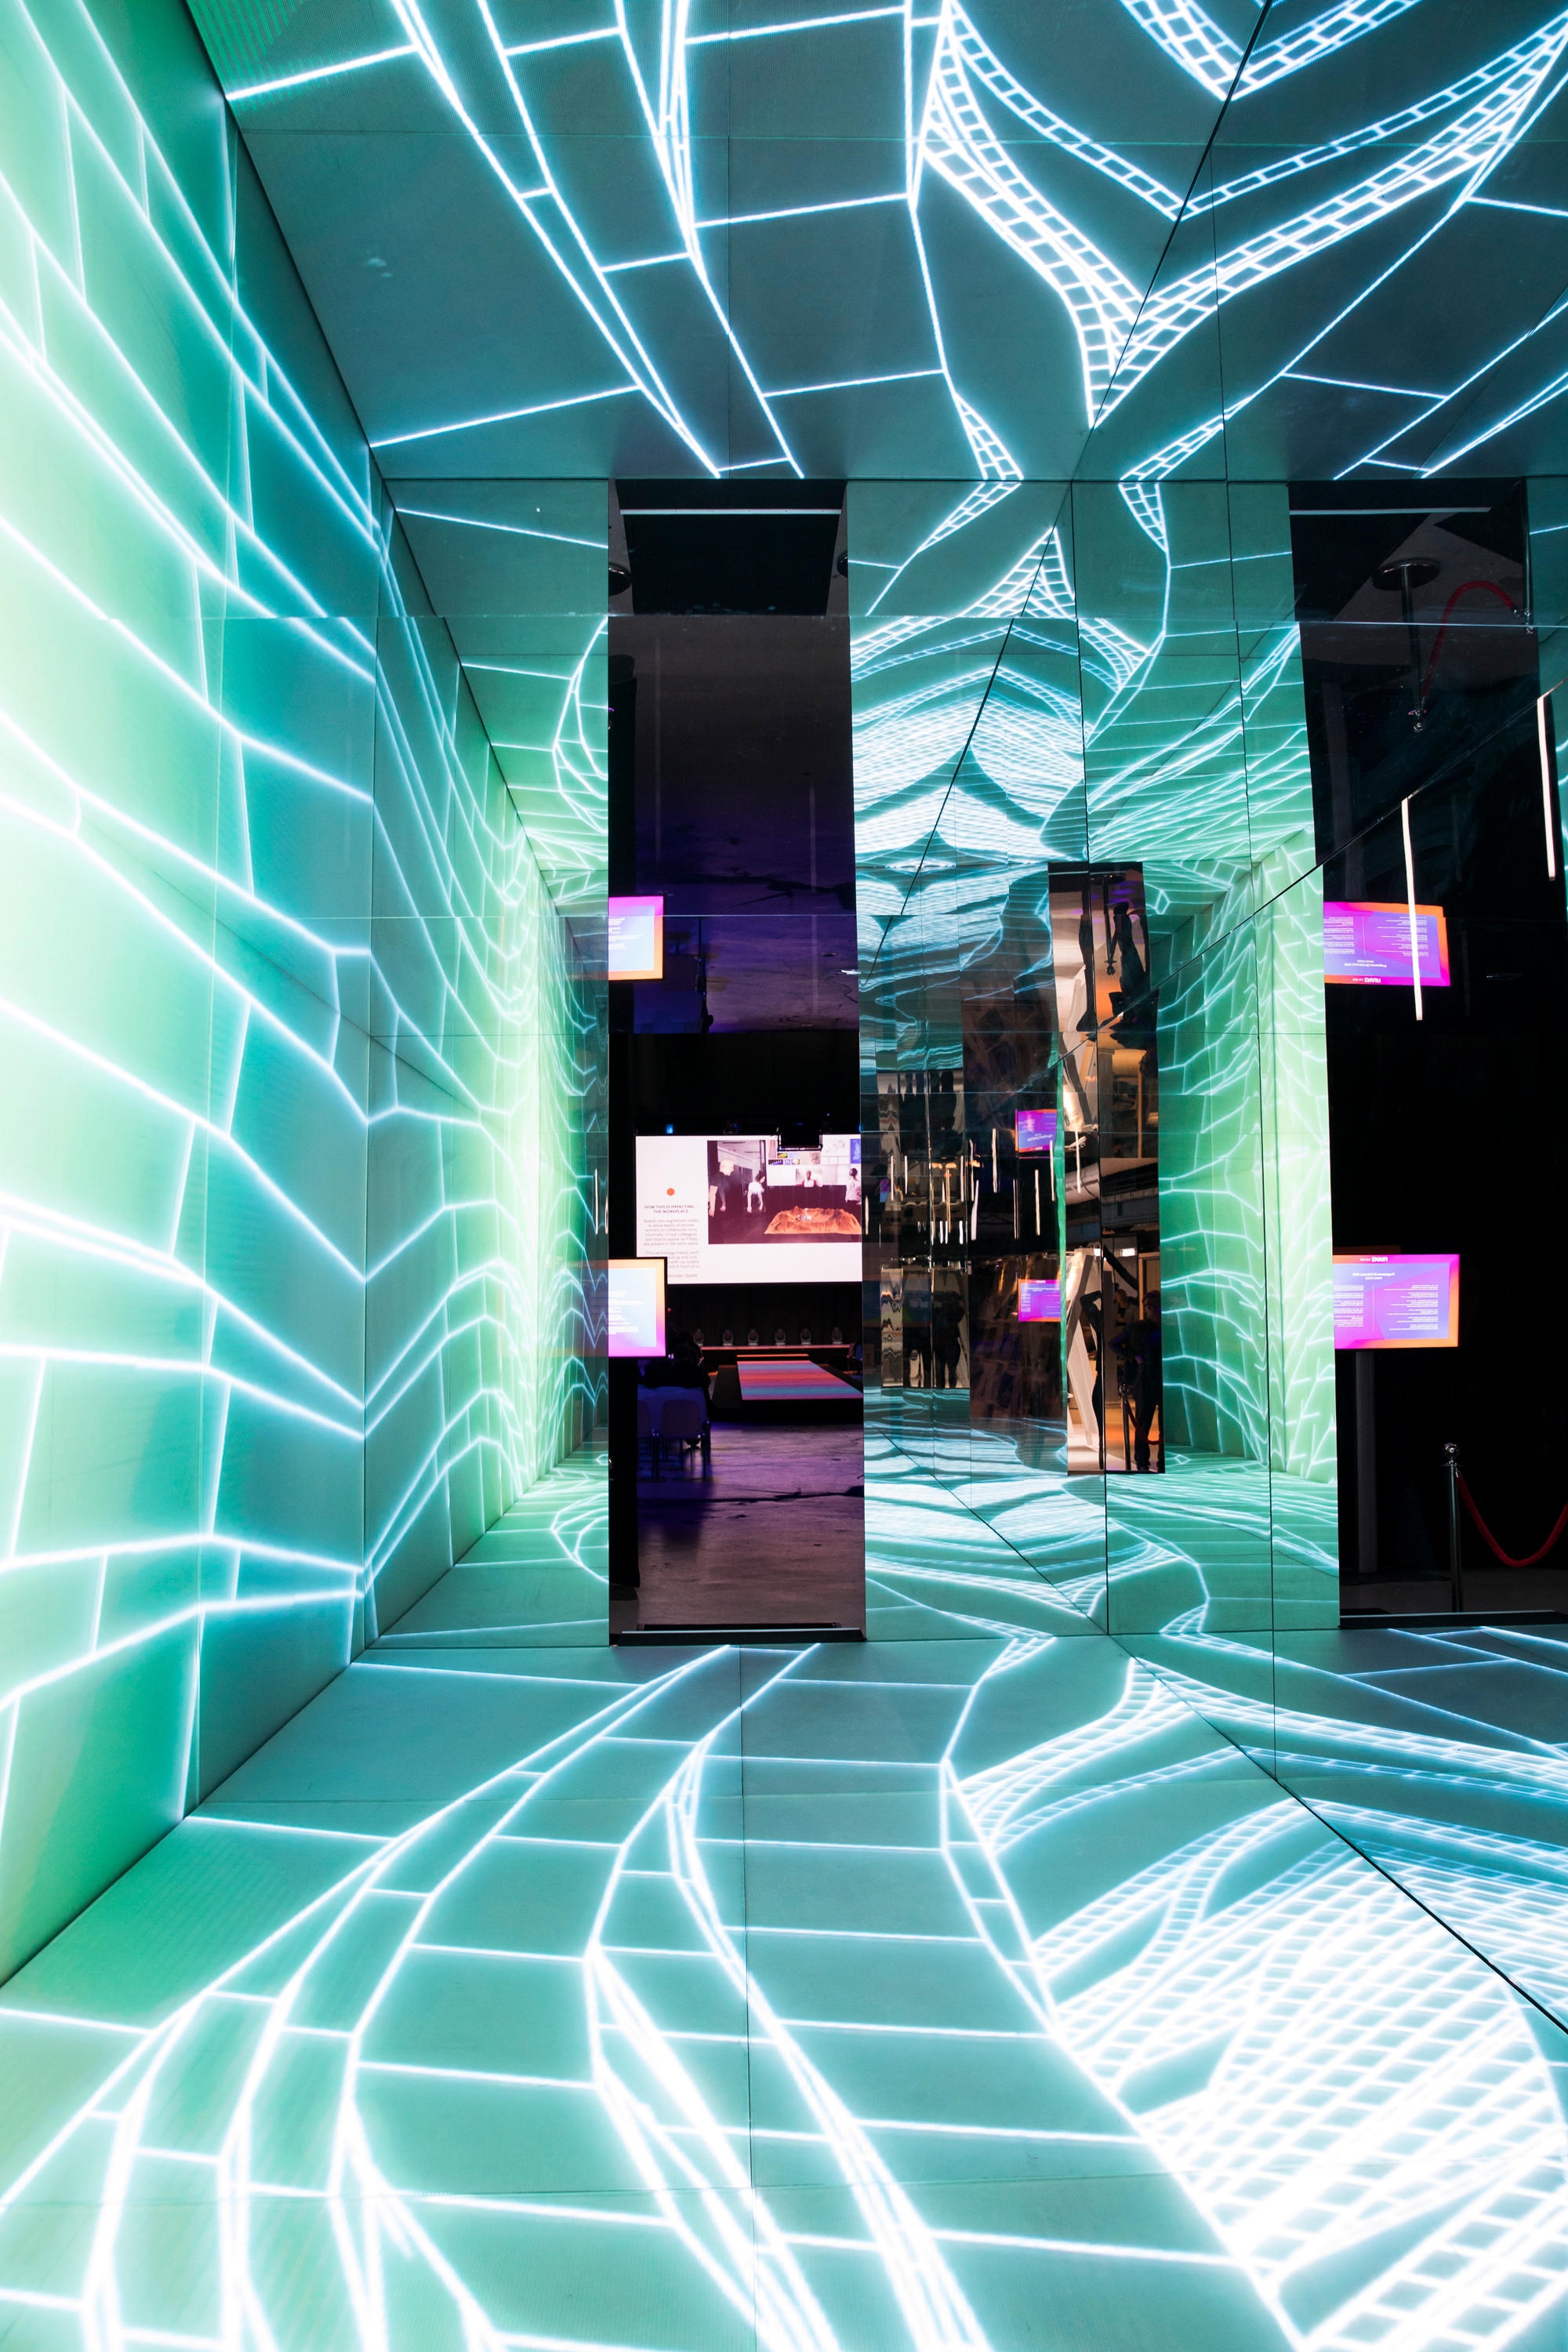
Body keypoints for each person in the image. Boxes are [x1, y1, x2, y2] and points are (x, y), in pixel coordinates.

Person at [1129, 1292, 1162, 1472]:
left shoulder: (1167, 1326)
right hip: (1146, 1382)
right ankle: (1142, 1462)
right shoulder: (1139, 1327)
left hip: (1162, 1381)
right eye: (1148, 1306)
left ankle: (1163, 1461)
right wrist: (1135, 1357)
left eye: (1154, 1305)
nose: (1151, 1309)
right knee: (1143, 1424)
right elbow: (1115, 1344)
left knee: (1165, 1426)